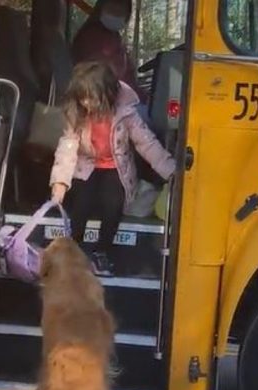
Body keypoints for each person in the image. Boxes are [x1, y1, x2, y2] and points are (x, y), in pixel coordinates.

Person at [50, 62, 175, 275]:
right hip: (86, 165)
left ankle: (102, 251)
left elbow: (147, 143)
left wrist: (171, 171)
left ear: (107, 93)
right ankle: (74, 248)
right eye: (82, 98)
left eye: (91, 97)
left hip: (116, 167)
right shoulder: (78, 114)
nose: (86, 103)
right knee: (81, 202)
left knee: (112, 202)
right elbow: (67, 147)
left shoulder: (126, 113)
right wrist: (60, 182)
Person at [71, 0, 147, 103]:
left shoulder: (113, 35)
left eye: (122, 9)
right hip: (105, 103)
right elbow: (102, 77)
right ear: (102, 6)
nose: (117, 12)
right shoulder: (90, 36)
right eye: (113, 7)